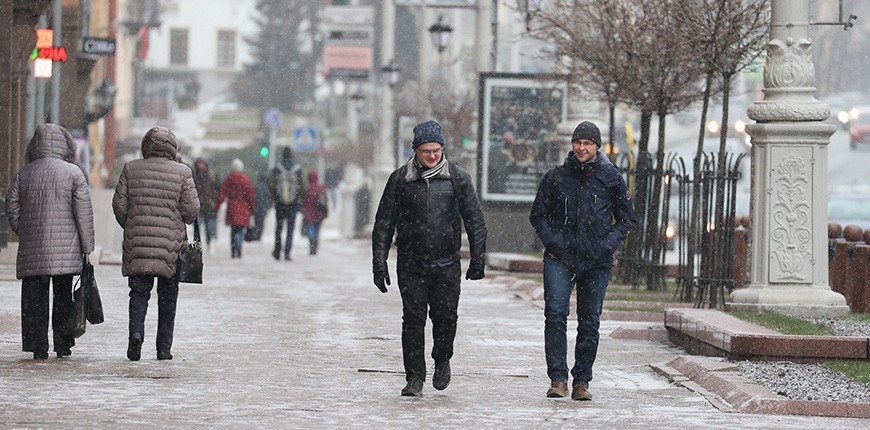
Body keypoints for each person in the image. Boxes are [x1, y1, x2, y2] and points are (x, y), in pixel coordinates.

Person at [372, 120, 488, 397]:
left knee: (445, 317)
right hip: (411, 262)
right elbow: (384, 223)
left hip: (446, 262)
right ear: (415, 151)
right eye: (426, 151)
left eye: (437, 150)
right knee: (413, 320)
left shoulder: (457, 178)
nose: (433, 156)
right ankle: (414, 376)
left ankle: (442, 358)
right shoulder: (400, 180)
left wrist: (478, 258)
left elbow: (474, 220)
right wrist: (379, 262)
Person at [529, 121, 636, 401]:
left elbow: (627, 218)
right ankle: (557, 378)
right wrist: (554, 242)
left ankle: (582, 381)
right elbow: (537, 215)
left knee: (589, 321)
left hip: (596, 260)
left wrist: (607, 244)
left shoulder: (611, 177)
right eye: (578, 142)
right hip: (559, 258)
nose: (581, 147)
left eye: (587, 143)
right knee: (555, 315)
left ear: (597, 146)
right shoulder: (556, 177)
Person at [5, 124, 95, 359]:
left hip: (33, 250)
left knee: (34, 299)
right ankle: (63, 345)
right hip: (65, 250)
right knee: (63, 296)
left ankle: (38, 346)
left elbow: (11, 207)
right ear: (64, 145)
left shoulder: (24, 173)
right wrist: (87, 247)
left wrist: (23, 231)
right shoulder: (74, 173)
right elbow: (83, 213)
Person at [112, 126, 200, 361]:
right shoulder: (183, 172)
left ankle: (136, 333)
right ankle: (163, 349)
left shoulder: (131, 169)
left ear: (146, 145)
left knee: (139, 293)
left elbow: (119, 205)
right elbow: (191, 212)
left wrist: (133, 225)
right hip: (171, 247)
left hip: (138, 242)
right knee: (168, 298)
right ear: (173, 148)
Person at [267, 147, 305, 261]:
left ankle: (277, 251)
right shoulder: (298, 170)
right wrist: (298, 198)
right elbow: (303, 186)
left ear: (283, 156)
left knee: (279, 228)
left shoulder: (277, 169)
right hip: (293, 204)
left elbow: (270, 184)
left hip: (280, 204)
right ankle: (287, 252)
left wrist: (276, 197)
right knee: (290, 229)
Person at [215, 159, 256, 259]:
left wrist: (217, 206)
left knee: (233, 231)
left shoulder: (229, 179)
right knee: (241, 230)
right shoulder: (246, 179)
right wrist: (252, 208)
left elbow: (222, 193)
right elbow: (250, 195)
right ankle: (239, 247)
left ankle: (233, 250)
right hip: (244, 208)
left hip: (232, 207)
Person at [192, 158, 221, 254]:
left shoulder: (212, 175)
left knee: (209, 228)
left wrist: (214, 199)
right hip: (198, 204)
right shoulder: (194, 176)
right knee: (197, 226)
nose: (201, 166)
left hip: (209, 205)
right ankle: (197, 244)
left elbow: (218, 188)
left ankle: (209, 242)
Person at [300, 170, 328, 255]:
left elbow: (303, 201)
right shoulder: (321, 188)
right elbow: (325, 201)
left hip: (309, 213)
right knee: (317, 230)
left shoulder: (307, 188)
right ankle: (315, 246)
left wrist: (303, 211)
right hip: (319, 213)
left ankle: (312, 246)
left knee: (311, 230)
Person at [247, 173, 273, 242]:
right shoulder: (267, 187)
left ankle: (254, 234)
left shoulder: (255, 186)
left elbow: (251, 196)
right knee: (261, 222)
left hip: (256, 207)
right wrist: (268, 206)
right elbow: (270, 198)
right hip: (264, 208)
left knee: (256, 221)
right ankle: (259, 235)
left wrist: (251, 206)